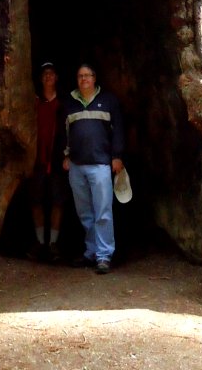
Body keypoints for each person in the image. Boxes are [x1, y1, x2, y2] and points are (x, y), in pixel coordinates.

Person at [62, 63, 124, 274]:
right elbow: (64, 132)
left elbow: (118, 130)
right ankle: (91, 251)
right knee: (85, 212)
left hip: (100, 164)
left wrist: (117, 156)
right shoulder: (70, 102)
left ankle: (104, 255)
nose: (84, 79)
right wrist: (65, 155)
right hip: (77, 165)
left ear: (95, 78)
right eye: (80, 76)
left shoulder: (108, 101)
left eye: (87, 75)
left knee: (103, 211)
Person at [28, 61, 65, 262]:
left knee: (58, 202)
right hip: (37, 160)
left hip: (57, 160)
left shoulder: (63, 103)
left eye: (52, 73)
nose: (48, 76)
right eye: (45, 73)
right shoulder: (34, 102)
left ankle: (53, 243)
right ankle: (40, 241)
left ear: (57, 78)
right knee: (36, 201)